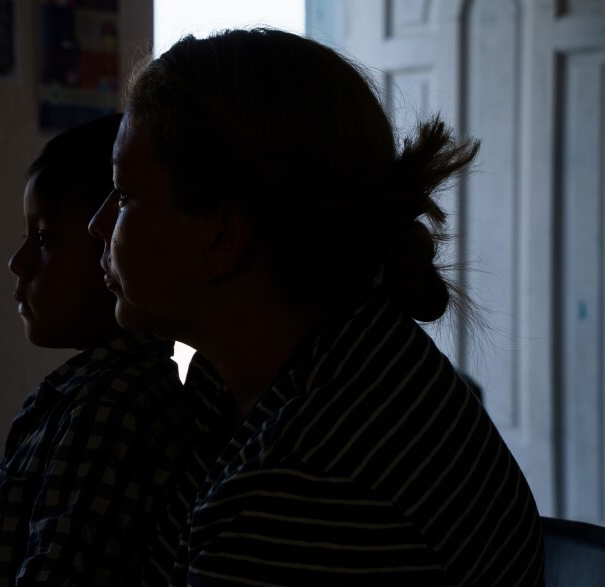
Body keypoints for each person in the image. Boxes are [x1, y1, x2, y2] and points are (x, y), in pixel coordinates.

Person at [89, 29, 545, 586]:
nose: (98, 224)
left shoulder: (300, 487)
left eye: (126, 195)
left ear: (222, 238)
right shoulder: (336, 356)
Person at [0, 113, 191, 586]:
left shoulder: (111, 407)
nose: (18, 262)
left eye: (46, 238)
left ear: (112, 248)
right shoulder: (83, 395)